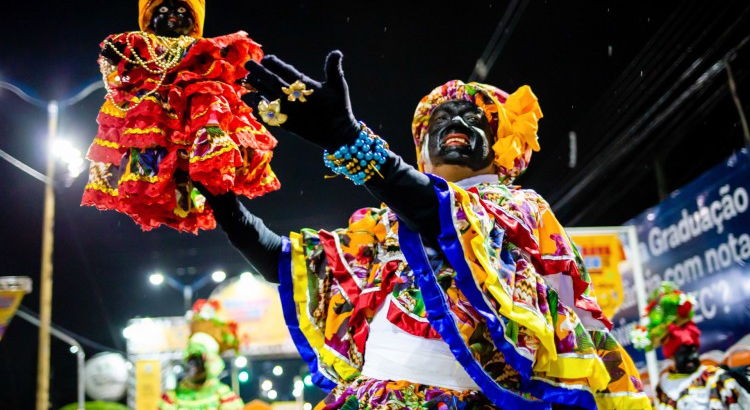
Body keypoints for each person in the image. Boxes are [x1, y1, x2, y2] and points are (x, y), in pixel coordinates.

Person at [200, 50, 653, 409]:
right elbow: (287, 263)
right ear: (422, 147)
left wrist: (349, 139)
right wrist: (219, 197)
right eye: (442, 120)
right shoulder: (380, 227)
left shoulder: (519, 207)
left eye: (474, 120)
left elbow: (448, 222)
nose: (456, 122)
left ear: (497, 147)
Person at [81, 0, 280, 233]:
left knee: (211, 110)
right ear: (150, 19)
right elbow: (116, 65)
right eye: (164, 11)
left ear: (195, 21)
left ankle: (206, 177)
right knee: (145, 145)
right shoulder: (136, 47)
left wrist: (245, 78)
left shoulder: (209, 52)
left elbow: (232, 71)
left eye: (183, 11)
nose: (173, 16)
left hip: (196, 115)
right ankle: (154, 186)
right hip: (155, 114)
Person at [630, 281, 750, 409]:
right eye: (684, 352)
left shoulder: (716, 378)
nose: (691, 357)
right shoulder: (663, 389)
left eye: (694, 350)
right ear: (672, 356)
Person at [160, 299, 244, 409]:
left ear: (210, 362)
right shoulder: (173, 398)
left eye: (199, 359)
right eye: (191, 358)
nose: (193, 366)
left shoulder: (224, 396)